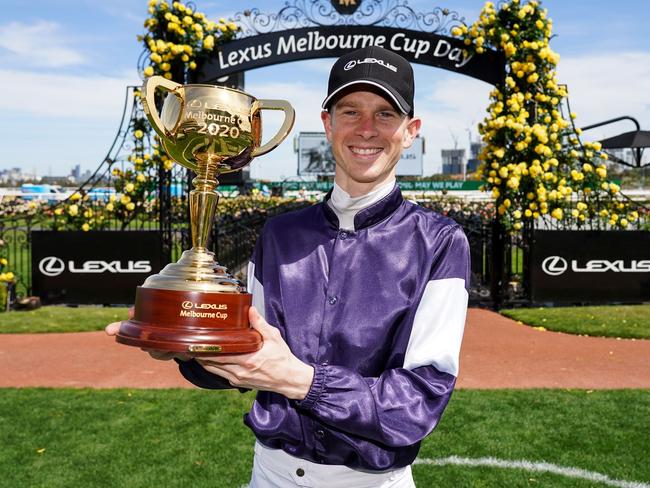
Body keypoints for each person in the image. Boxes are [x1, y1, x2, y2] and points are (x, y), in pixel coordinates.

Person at [107, 45, 470, 487]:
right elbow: (249, 356)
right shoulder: (279, 235)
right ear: (327, 124)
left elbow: (417, 402)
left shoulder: (439, 242)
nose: (367, 128)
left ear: (410, 131)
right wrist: (185, 347)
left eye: (385, 114)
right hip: (271, 474)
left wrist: (302, 381)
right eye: (350, 111)